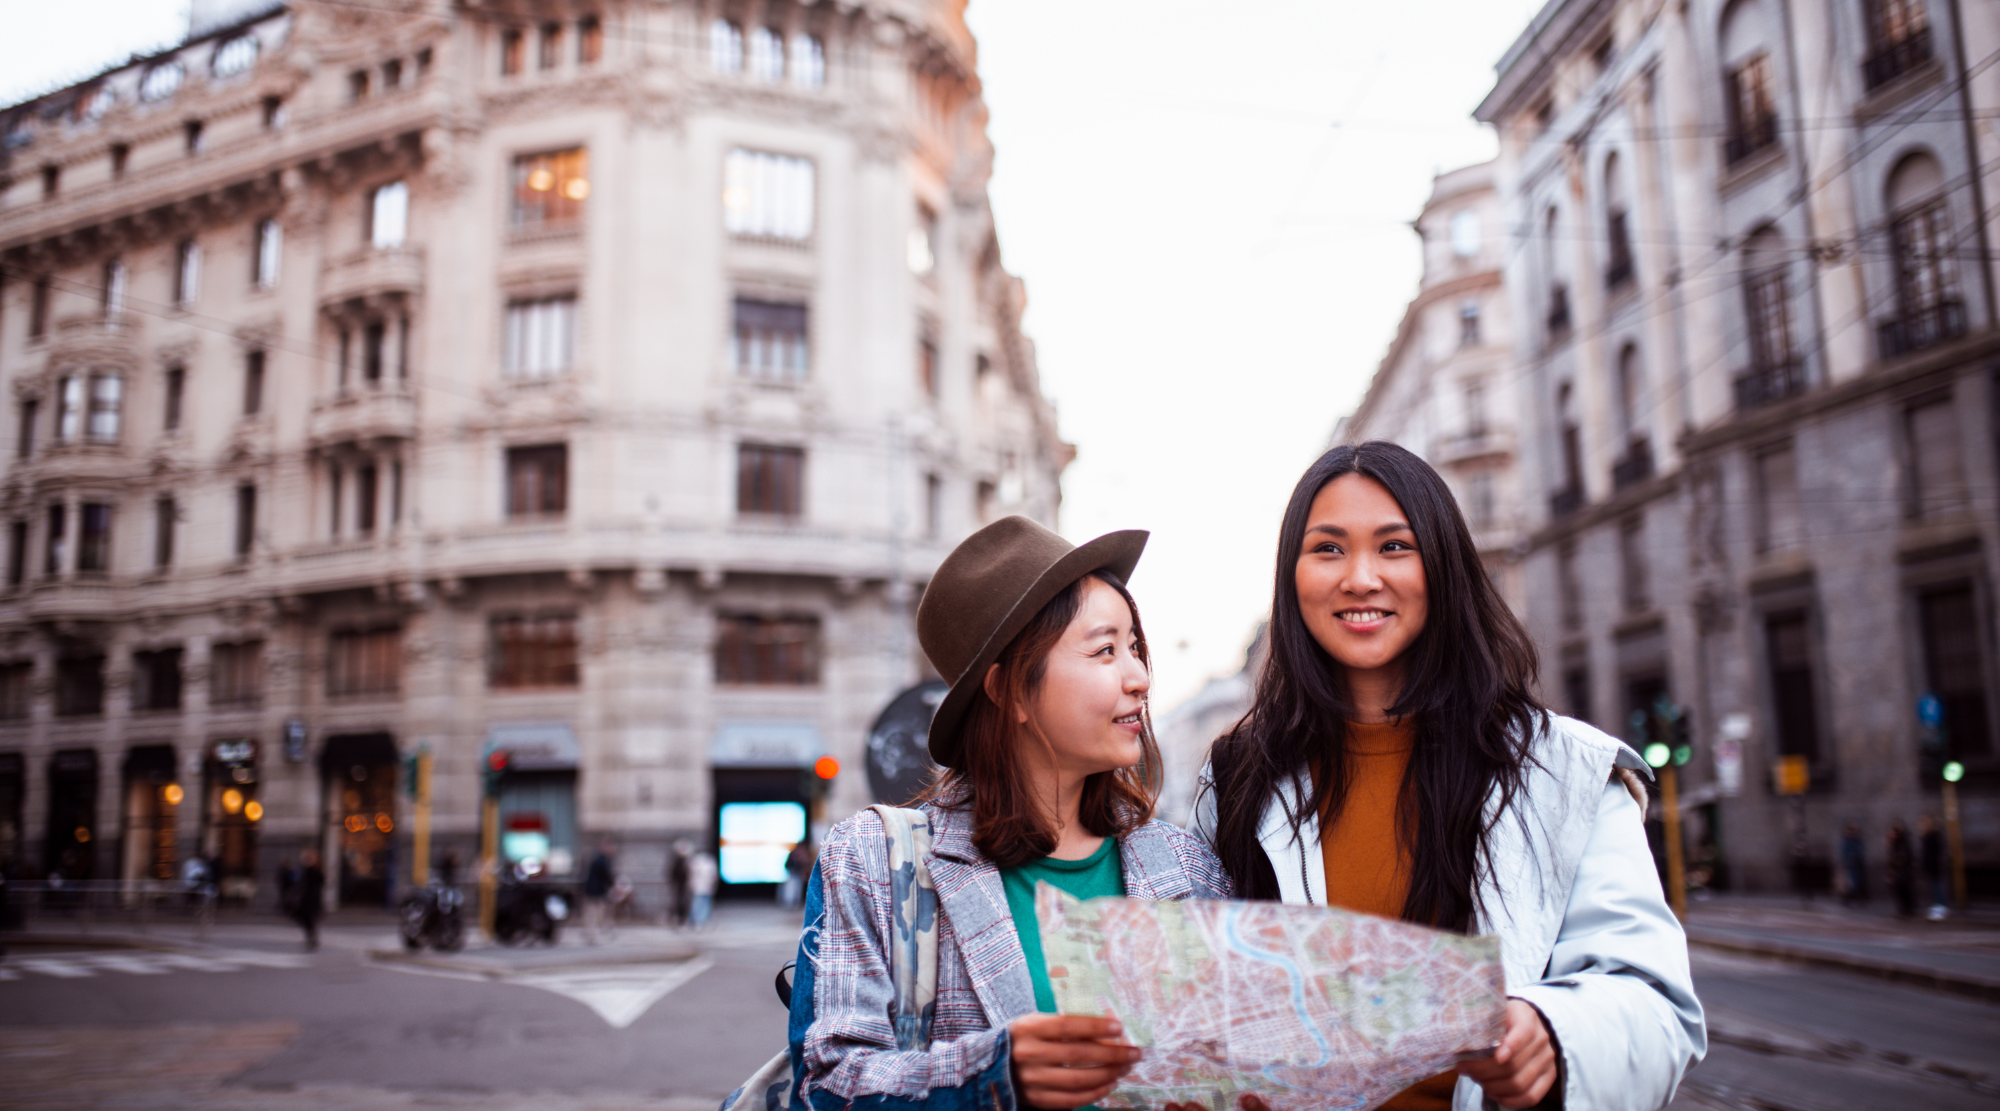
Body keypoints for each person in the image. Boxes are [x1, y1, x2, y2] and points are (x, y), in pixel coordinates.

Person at [1196, 443, 1704, 1111]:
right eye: (1327, 549)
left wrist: (1553, 1033)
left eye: (1394, 546)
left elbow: (1659, 1008)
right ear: (1291, 578)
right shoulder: (1237, 776)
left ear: (1442, 567)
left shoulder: (1564, 770)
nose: (1360, 577)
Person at [799, 516, 1230, 1111]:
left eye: (1134, 647)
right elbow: (826, 1084)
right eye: (1106, 650)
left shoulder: (1185, 866)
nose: (1140, 678)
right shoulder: (874, 861)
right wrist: (993, 1076)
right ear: (1010, 690)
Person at [582, 839, 616, 944]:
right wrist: (613, 884)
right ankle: (593, 934)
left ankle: (592, 933)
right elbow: (607, 876)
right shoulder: (601, 860)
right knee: (595, 914)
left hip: (592, 890)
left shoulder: (596, 859)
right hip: (597, 891)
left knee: (592, 914)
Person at [293, 849, 325, 952]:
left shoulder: (316, 870)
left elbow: (321, 881)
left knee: (309, 918)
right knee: (305, 918)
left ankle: (312, 937)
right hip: (305, 898)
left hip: (312, 898)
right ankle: (311, 936)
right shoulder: (305, 870)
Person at [1886, 821, 1916, 919]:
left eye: (1894, 833)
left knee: (1904, 890)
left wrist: (1896, 863)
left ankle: (1907, 908)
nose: (1892, 835)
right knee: (1898, 890)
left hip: (1902, 871)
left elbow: (1903, 858)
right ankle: (1903, 909)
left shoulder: (1902, 843)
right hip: (1897, 871)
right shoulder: (1893, 843)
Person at [1919, 815, 1948, 919]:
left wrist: (1933, 863)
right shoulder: (1926, 836)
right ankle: (1937, 906)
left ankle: (1940, 908)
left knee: (1937, 886)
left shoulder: (1933, 836)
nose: (1923, 826)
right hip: (1930, 865)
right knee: (1934, 886)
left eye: (1925, 823)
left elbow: (1935, 852)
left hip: (1934, 865)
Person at [687, 848, 718, 930]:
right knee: (699, 905)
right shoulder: (701, 862)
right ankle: (697, 921)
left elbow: (713, 875)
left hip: (703, 887)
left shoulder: (696, 862)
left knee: (702, 905)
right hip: (700, 887)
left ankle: (699, 921)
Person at [1839, 822, 1867, 906]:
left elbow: (1860, 852)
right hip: (1850, 865)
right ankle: (1848, 899)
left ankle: (1854, 899)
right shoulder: (1846, 842)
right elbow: (1844, 853)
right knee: (1852, 883)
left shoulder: (1857, 841)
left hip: (1857, 865)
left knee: (1856, 883)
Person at [779, 839, 813, 909]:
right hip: (792, 874)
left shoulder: (803, 855)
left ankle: (795, 903)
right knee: (790, 888)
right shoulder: (793, 854)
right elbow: (787, 864)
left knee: (797, 889)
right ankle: (788, 903)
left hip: (798, 875)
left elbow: (806, 865)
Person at [666, 839, 692, 928]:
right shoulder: (677, 861)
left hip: (684, 885)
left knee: (683, 901)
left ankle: (682, 918)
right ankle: (677, 918)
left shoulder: (687, 861)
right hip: (679, 885)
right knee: (678, 901)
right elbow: (672, 873)